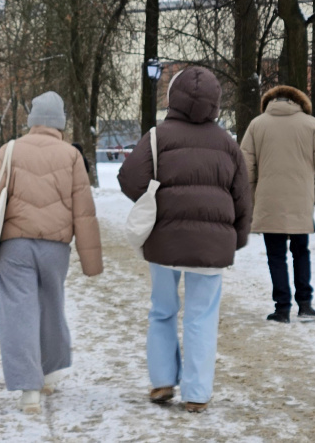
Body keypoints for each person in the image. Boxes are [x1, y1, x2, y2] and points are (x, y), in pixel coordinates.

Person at [118, 66, 252, 413]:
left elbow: (129, 177)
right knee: (201, 317)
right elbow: (242, 197)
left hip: (164, 241)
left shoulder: (157, 136)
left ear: (172, 97)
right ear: (215, 102)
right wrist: (236, 237)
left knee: (162, 310)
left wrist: (155, 199)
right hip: (211, 247)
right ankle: (196, 393)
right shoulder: (227, 144)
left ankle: (163, 381)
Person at [0, 91, 103, 414]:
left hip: (14, 246)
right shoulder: (71, 156)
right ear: (60, 122)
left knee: (18, 311)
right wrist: (91, 262)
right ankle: (50, 373)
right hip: (55, 248)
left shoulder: (11, 150)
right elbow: (84, 211)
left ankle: (28, 390)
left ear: (32, 120)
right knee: (51, 305)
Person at [240, 86, 315, 324]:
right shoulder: (310, 124)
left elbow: (245, 165)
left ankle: (282, 308)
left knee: (276, 255)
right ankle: (305, 305)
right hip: (300, 198)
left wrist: (252, 194)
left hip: (269, 197)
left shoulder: (256, 125)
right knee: (301, 251)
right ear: (298, 102)